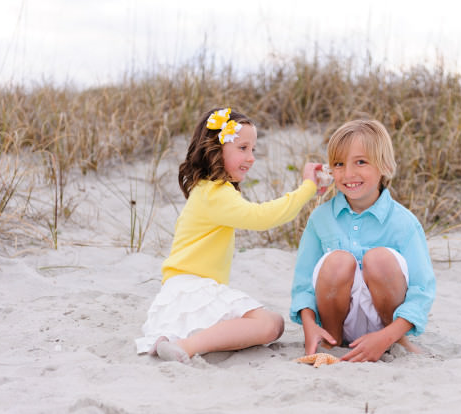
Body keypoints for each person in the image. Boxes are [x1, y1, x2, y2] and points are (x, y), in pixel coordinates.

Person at [136, 107, 323, 363]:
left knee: (261, 322)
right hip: (192, 289)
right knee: (272, 324)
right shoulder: (216, 194)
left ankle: (175, 341)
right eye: (243, 148)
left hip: (180, 290)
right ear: (215, 148)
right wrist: (307, 188)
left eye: (253, 149)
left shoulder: (207, 190)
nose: (251, 157)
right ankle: (186, 346)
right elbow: (263, 217)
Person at [290, 119, 435, 362]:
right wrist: (309, 325)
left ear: (385, 166)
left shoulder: (404, 222)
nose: (348, 174)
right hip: (335, 320)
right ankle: (330, 340)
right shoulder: (321, 218)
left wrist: (387, 335)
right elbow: (303, 283)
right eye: (338, 164)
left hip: (387, 324)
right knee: (337, 261)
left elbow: (422, 290)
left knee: (379, 258)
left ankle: (395, 340)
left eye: (361, 162)